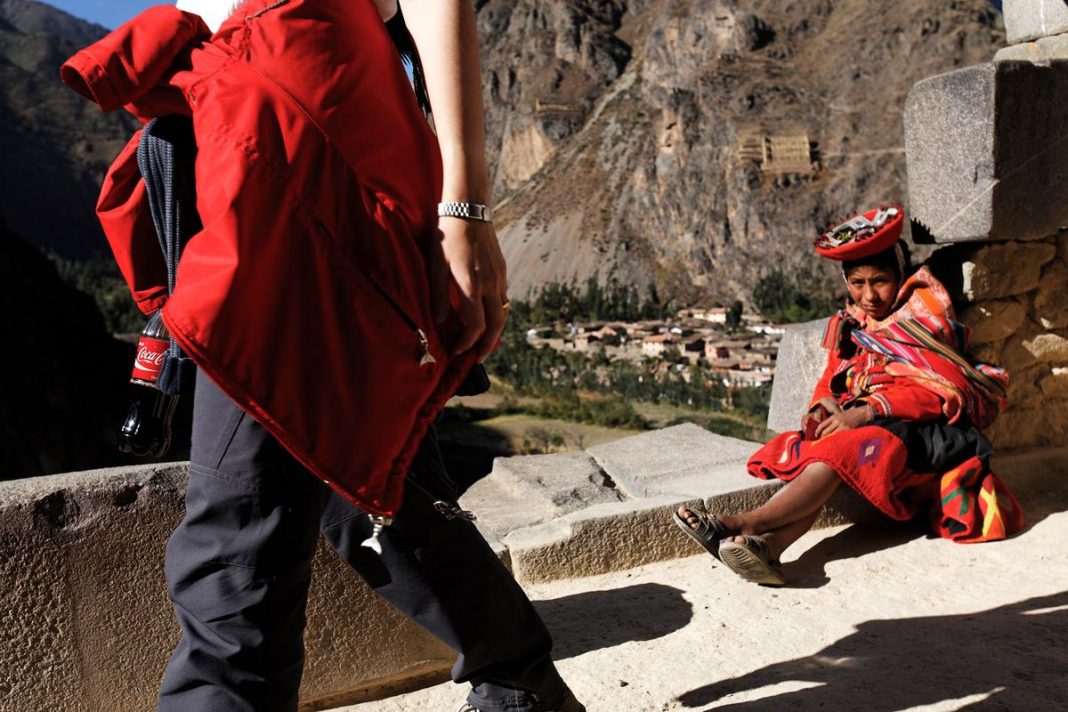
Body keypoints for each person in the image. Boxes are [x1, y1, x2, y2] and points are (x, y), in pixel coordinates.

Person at [60, 1, 583, 710]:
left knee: (235, 539)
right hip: (222, 160)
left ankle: (518, 678)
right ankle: (520, 679)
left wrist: (464, 206)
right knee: (363, 486)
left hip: (305, 184)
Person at [674, 205, 1023, 586]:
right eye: (858, 283)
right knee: (827, 456)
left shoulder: (924, 316)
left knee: (838, 451)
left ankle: (740, 523)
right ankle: (771, 548)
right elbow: (831, 379)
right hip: (868, 432)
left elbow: (942, 390)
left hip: (922, 436)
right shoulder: (851, 324)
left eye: (880, 281)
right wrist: (822, 405)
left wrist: (866, 412)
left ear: (900, 274)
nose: (869, 295)